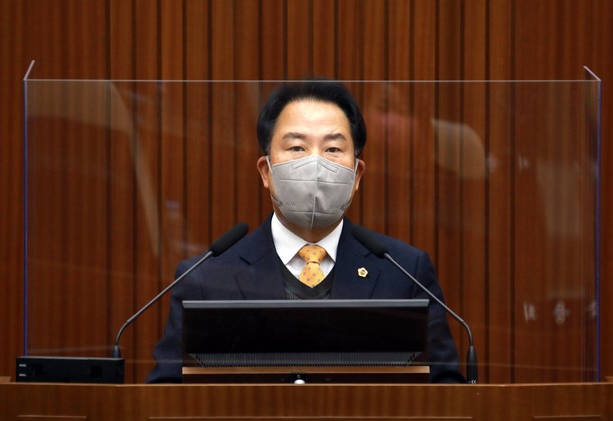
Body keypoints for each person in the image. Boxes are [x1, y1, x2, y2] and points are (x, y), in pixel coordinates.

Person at [146, 79, 464, 383]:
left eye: (333, 149)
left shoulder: (405, 273)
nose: (315, 164)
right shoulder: (206, 279)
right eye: (297, 147)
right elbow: (167, 397)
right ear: (266, 171)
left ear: (356, 175)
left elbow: (446, 394)